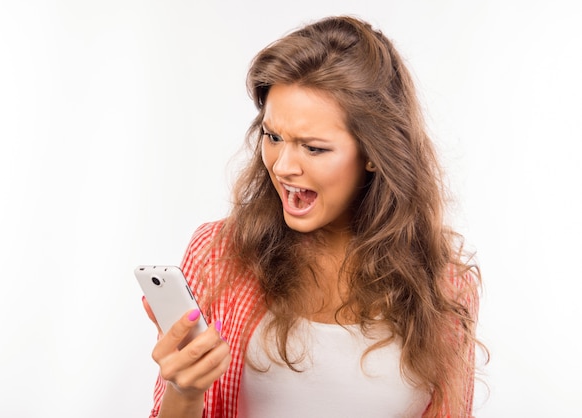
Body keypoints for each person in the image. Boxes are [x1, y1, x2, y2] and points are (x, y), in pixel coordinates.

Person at [142, 15, 483, 418]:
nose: (283, 166)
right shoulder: (220, 256)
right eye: (273, 137)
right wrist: (183, 389)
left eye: (314, 148)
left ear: (375, 154)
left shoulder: (445, 284)